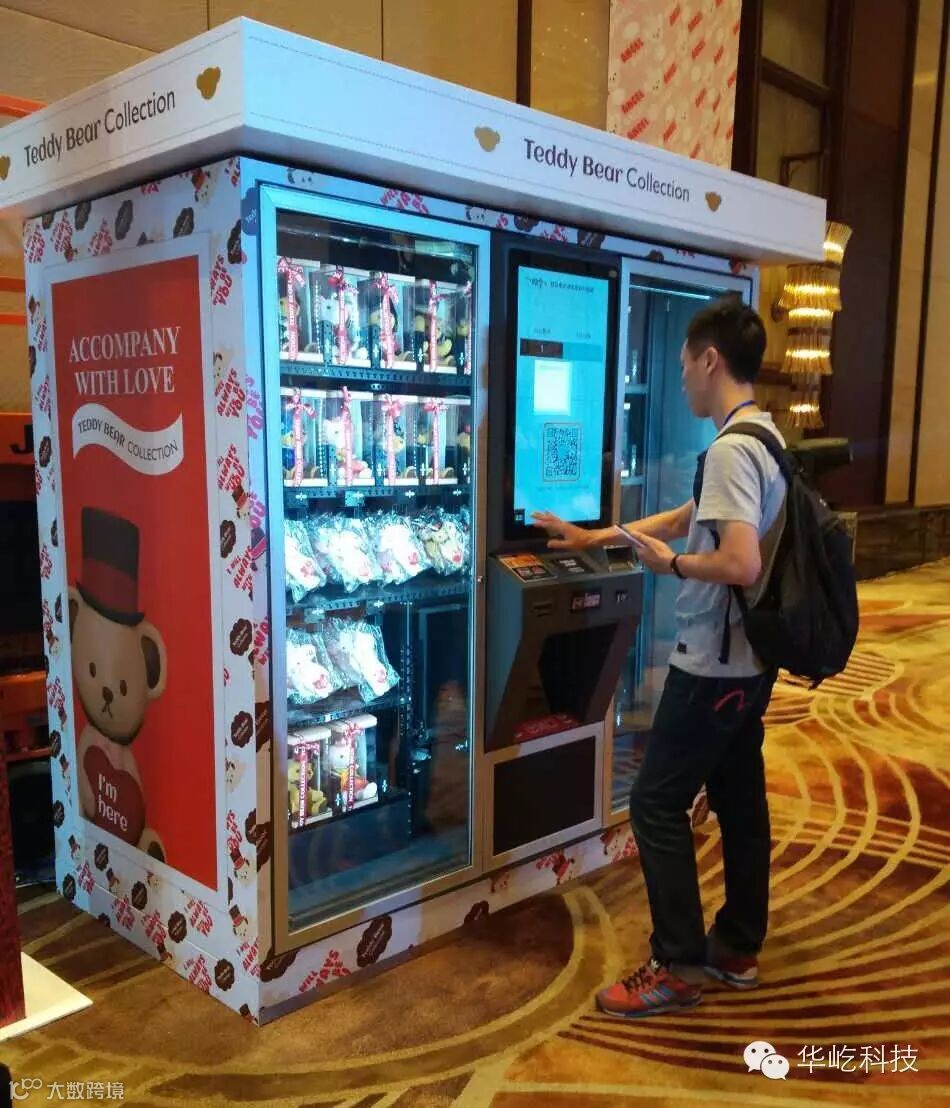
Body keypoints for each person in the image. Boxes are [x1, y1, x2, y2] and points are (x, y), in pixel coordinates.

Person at [533, 296, 786, 1018]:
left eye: (683, 367)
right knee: (740, 801)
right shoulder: (762, 437)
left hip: (711, 665)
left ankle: (677, 964)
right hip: (748, 664)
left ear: (711, 360)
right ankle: (736, 947)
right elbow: (686, 517)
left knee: (654, 802)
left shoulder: (732, 451)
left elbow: (738, 560)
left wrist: (671, 566)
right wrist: (597, 537)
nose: (680, 380)